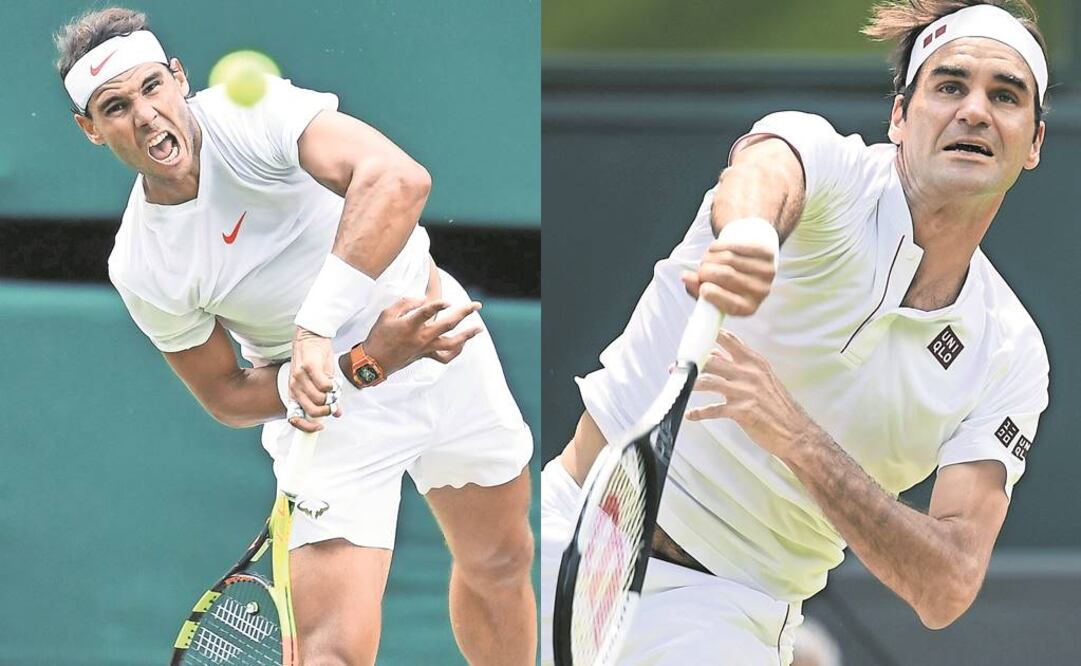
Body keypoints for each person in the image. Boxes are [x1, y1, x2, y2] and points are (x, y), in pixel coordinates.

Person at [541, 1, 1049, 663]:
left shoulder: (1010, 355)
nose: (974, 111)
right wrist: (750, 236)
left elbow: (946, 585)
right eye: (949, 86)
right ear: (899, 116)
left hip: (722, 622)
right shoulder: (828, 169)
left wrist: (798, 440)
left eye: (1004, 95)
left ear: (1033, 140)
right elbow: (764, 170)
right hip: (571, 531)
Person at [55, 7, 535, 665]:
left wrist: (316, 325)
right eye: (114, 106)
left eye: (150, 88)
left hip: (442, 340)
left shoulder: (252, 116)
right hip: (333, 413)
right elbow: (225, 394)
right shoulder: (143, 263)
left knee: (500, 559)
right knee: (332, 653)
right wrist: (359, 362)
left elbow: (400, 180)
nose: (144, 116)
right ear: (90, 128)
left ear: (177, 78)